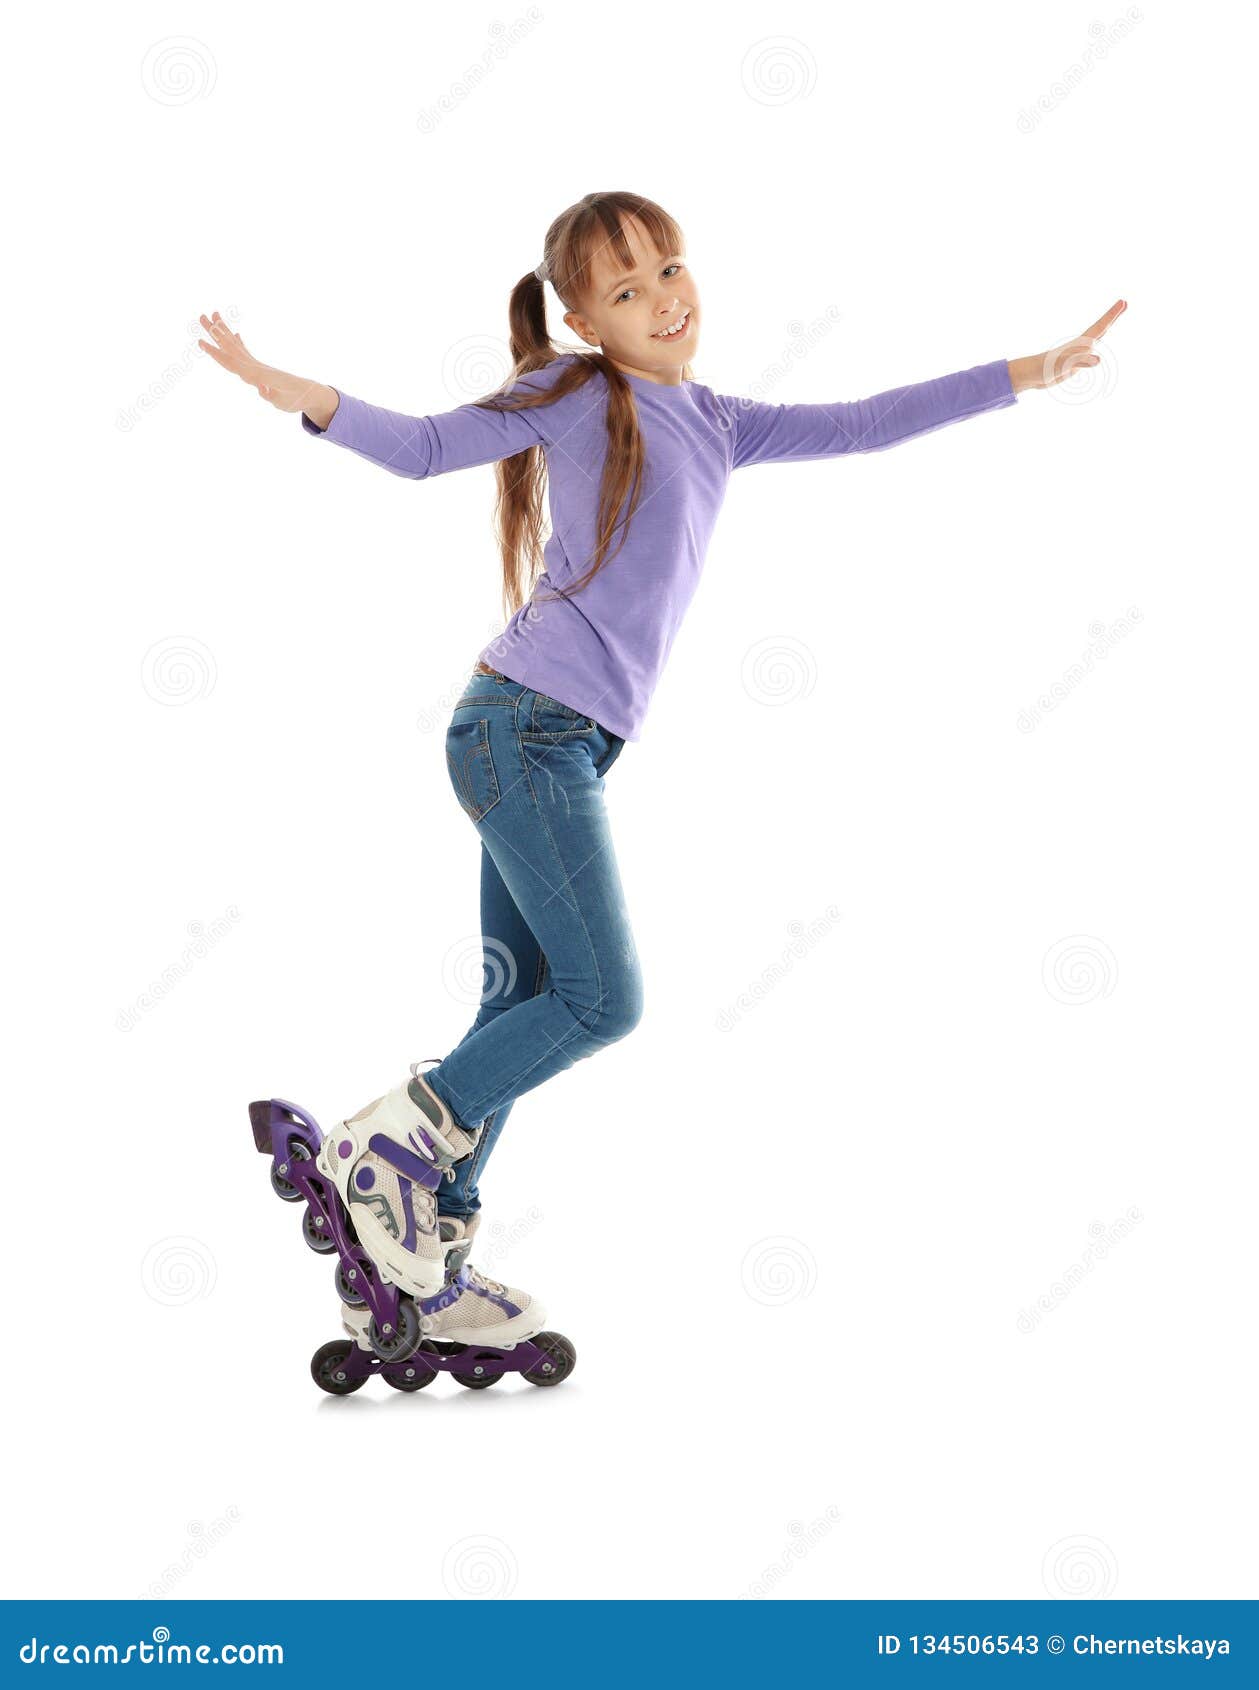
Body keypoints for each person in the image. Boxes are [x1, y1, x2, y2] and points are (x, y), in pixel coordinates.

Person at [200, 190, 1126, 1350]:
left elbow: (865, 421)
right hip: (518, 729)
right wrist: (308, 399)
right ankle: (387, 1145)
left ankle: (425, 1252)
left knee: (519, 1005)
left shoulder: (721, 421)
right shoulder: (576, 392)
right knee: (600, 1001)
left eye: (669, 269)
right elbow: (431, 448)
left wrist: (1028, 370)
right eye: (624, 289)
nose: (661, 300)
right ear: (585, 320)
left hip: (556, 741)